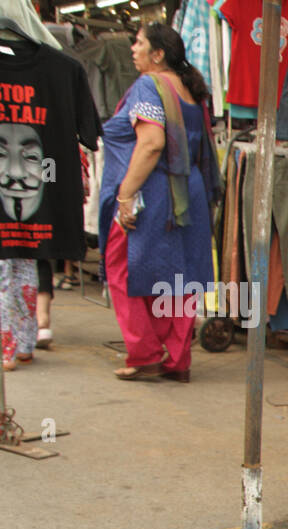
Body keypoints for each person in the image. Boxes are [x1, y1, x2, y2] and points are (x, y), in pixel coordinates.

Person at [99, 23, 219, 382]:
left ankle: (145, 352)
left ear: (158, 54)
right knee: (178, 276)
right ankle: (178, 360)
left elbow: (150, 143)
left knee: (122, 267)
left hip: (153, 194)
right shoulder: (191, 90)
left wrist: (125, 195)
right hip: (189, 192)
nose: (132, 49)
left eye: (138, 42)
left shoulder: (148, 87)